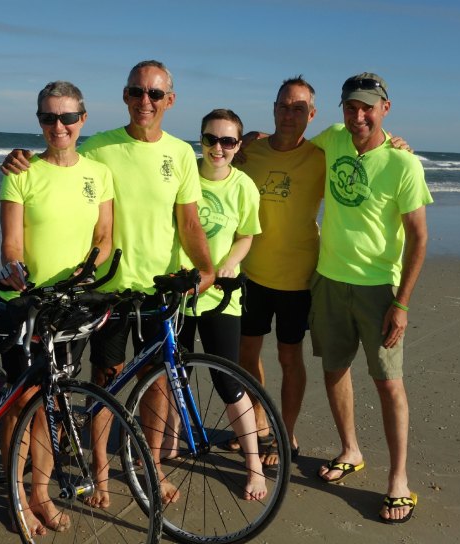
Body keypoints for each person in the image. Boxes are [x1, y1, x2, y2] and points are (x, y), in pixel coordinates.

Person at [2, 60, 214, 507]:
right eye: (137, 92)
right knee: (104, 380)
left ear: (169, 101)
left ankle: (151, 466)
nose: (145, 101)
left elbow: (190, 221)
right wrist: (16, 157)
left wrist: (207, 269)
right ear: (124, 96)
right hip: (110, 289)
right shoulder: (98, 147)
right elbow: (57, 162)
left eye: (155, 94)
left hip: (160, 287)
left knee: (159, 381)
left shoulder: (179, 153)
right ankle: (100, 472)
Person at [309, 72, 431, 524]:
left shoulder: (404, 164)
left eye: (367, 107)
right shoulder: (334, 138)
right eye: (350, 107)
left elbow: (419, 238)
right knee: (334, 368)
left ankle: (399, 479)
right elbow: (292, 145)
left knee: (388, 383)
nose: (358, 116)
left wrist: (401, 303)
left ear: (385, 108)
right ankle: (350, 449)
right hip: (328, 279)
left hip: (379, 288)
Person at [0, 80, 113, 535]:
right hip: (25, 304)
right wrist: (15, 269)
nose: (58, 126)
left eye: (66, 117)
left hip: (70, 306)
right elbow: (11, 242)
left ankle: (40, 494)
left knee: (52, 402)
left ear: (82, 120)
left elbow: (103, 238)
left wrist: (86, 275)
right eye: (48, 117)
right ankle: (16, 498)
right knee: (21, 401)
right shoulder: (20, 171)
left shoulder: (98, 173)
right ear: (39, 121)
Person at [167, 108, 265, 500]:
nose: (218, 148)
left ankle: (254, 466)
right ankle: (170, 444)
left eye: (227, 141)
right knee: (174, 374)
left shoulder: (243, 187)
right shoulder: (184, 174)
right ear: (201, 139)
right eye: (211, 139)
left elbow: (247, 234)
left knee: (228, 381)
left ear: (238, 145)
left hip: (222, 296)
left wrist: (228, 264)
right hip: (179, 292)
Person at [233, 76, 325, 465]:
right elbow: (216, 165)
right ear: (273, 108)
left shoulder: (322, 156)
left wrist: (395, 141)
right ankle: (258, 423)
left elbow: (366, 150)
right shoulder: (250, 150)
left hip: (298, 278)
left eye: (299, 107)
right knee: (246, 355)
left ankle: (285, 433)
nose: (290, 114)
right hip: (251, 272)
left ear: (312, 114)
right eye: (284, 106)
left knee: (290, 357)